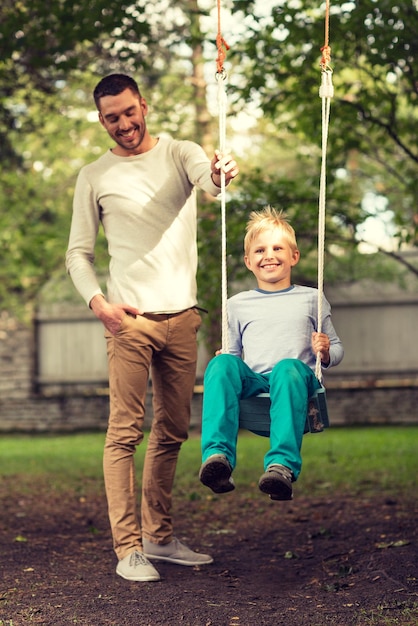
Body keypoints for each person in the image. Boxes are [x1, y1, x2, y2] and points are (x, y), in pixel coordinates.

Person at [66, 73, 239, 582]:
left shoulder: (179, 152)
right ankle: (129, 548)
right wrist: (100, 303)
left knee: (172, 432)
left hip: (183, 318)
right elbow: (78, 253)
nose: (123, 124)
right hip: (130, 322)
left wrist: (221, 172)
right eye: (111, 117)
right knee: (124, 434)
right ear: (101, 120)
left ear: (144, 104)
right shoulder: (93, 175)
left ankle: (159, 537)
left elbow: (211, 183)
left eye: (128, 112)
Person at [199, 206, 343, 501]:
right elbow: (235, 354)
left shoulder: (311, 298)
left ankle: (281, 468)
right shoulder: (237, 304)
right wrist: (225, 360)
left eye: (278, 248)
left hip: (295, 379)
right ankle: (218, 458)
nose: (269, 255)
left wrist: (325, 353)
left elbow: (338, 349)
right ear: (249, 261)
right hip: (256, 382)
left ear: (294, 256)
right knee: (220, 363)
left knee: (286, 368)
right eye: (260, 250)